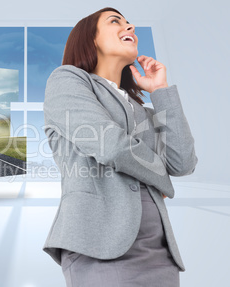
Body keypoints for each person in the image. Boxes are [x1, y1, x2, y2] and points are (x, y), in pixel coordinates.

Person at [42, 7, 198, 287]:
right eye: (116, 21)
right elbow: (110, 145)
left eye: (129, 23)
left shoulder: (141, 111)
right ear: (90, 40)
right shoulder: (67, 80)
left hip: (159, 251)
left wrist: (160, 92)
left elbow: (182, 162)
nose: (130, 27)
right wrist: (162, 180)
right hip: (99, 243)